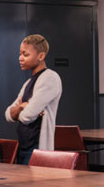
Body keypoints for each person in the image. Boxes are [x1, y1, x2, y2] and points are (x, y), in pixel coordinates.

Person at [4, 34, 63, 165]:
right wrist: (21, 107)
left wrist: (24, 110)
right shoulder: (29, 82)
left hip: (37, 148)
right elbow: (8, 115)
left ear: (41, 56)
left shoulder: (50, 78)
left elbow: (27, 116)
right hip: (23, 145)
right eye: (20, 54)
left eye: (25, 54)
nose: (20, 58)